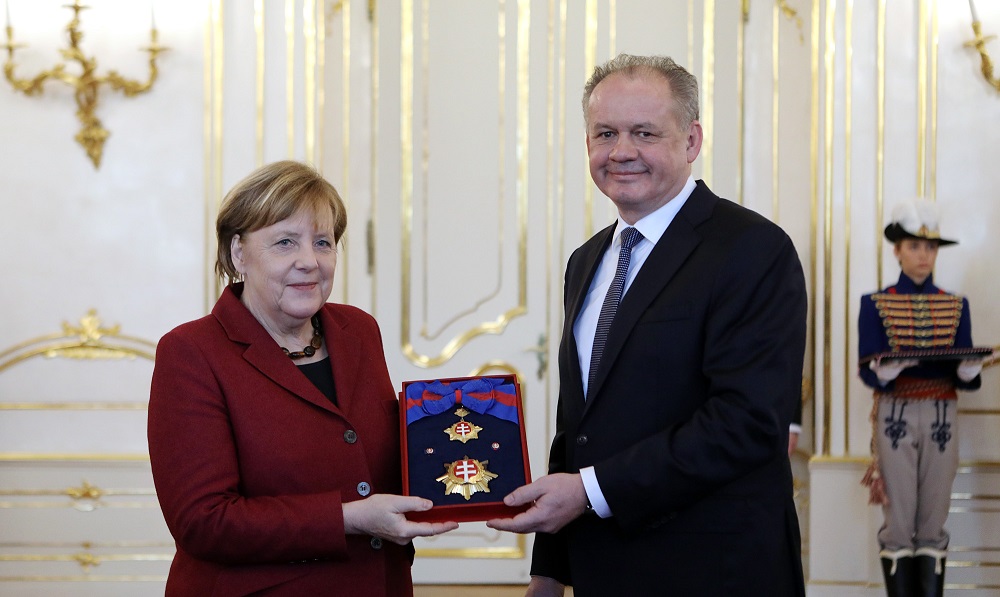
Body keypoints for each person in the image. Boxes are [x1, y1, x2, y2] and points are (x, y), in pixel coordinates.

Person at [487, 54, 807, 596]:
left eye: (644, 132)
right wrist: (549, 570)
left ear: (691, 141)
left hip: (715, 569)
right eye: (605, 133)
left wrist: (589, 492)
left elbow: (746, 424)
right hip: (603, 568)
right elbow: (577, 429)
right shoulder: (585, 262)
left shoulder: (753, 248)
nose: (622, 151)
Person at [148, 160, 457, 596]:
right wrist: (347, 517)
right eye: (285, 242)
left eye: (323, 242)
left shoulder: (359, 331)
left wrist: (469, 468)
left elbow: (376, 460)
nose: (309, 262)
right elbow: (204, 522)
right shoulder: (191, 352)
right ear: (239, 253)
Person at [859, 198, 983, 597]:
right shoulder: (875, 304)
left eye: (929, 247)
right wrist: (882, 372)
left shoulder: (956, 305)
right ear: (897, 250)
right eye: (914, 246)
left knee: (933, 518)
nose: (923, 254)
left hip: (942, 413)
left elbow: (966, 372)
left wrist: (967, 371)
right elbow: (866, 368)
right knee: (898, 520)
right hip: (895, 413)